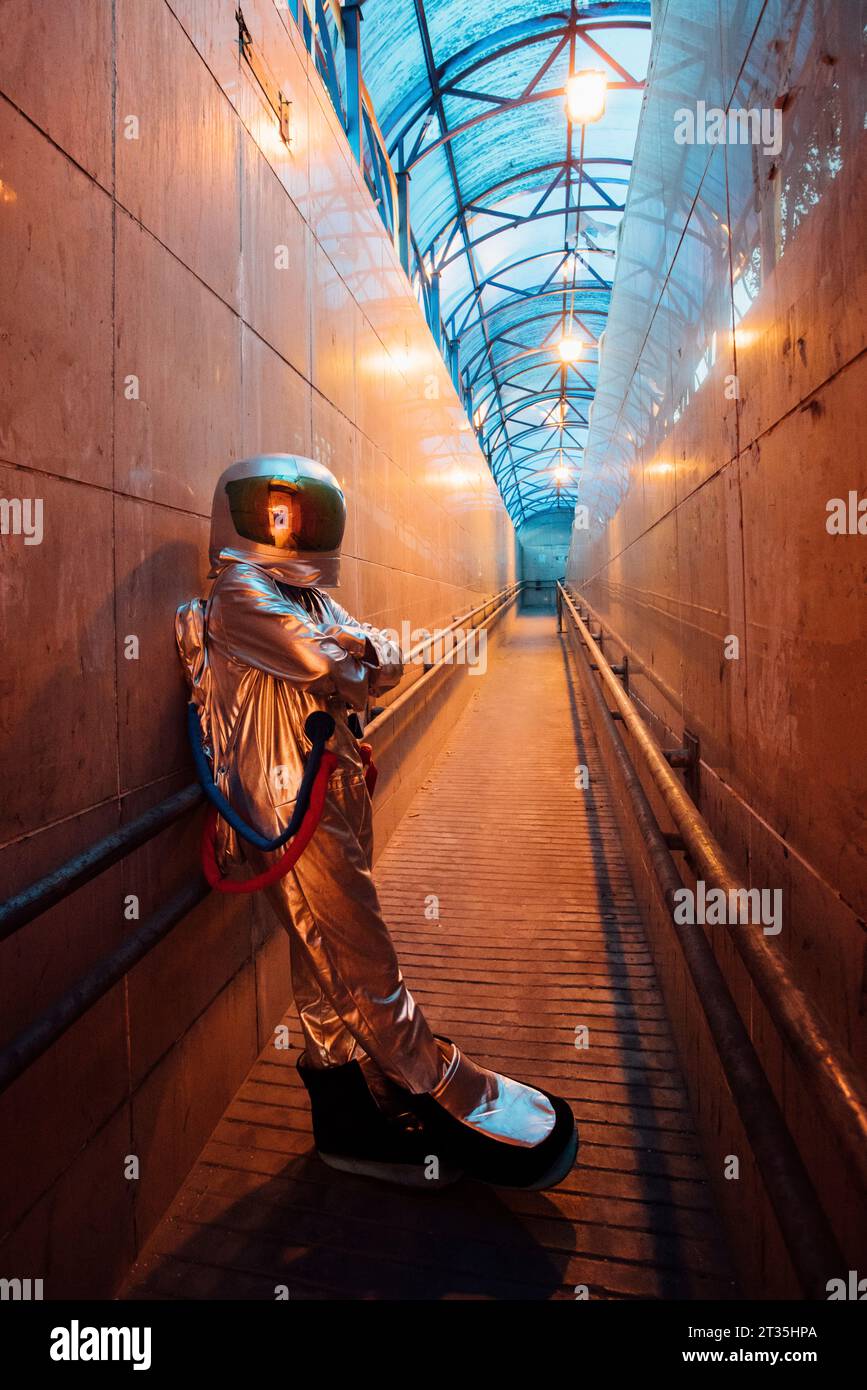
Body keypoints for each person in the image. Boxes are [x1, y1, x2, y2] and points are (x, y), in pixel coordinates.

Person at [176, 454, 577, 1189]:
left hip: (330, 791)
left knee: (322, 951)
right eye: (276, 514)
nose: (292, 531)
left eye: (305, 514)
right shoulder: (239, 593)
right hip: (286, 806)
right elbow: (330, 659)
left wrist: (353, 655)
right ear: (235, 518)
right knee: (361, 954)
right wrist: (356, 655)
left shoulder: (307, 599)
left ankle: (342, 1110)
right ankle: (433, 1079)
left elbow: (379, 661)